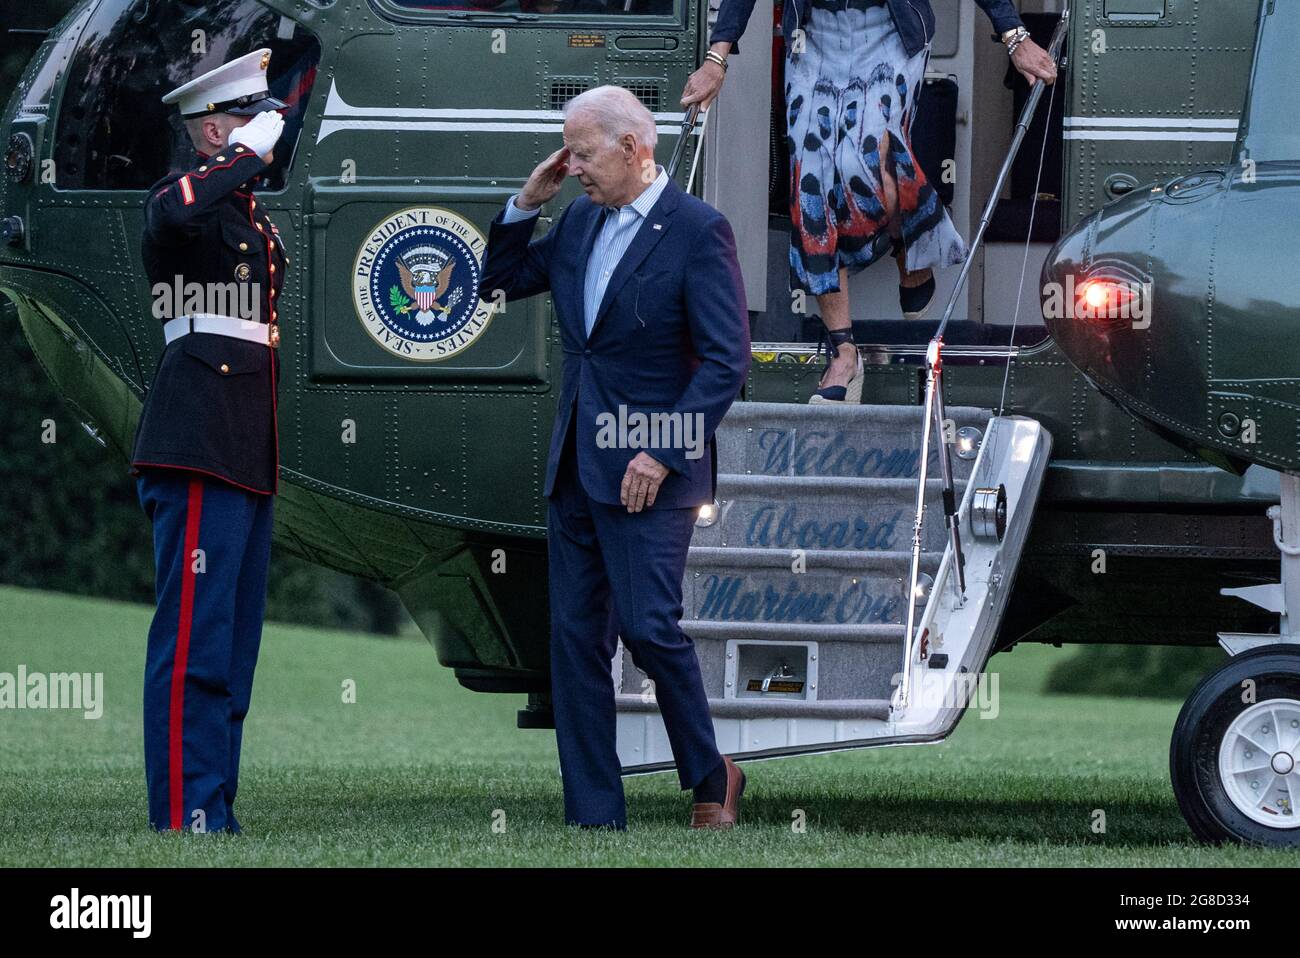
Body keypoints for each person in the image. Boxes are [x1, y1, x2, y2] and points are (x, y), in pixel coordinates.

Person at [478, 86, 752, 830]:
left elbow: (727, 363)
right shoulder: (575, 221)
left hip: (651, 475)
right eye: (566, 153)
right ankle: (595, 814)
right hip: (576, 464)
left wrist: (661, 450)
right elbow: (496, 282)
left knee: (649, 627)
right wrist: (525, 203)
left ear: (633, 149)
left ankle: (709, 773)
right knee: (573, 642)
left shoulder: (699, 231)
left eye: (583, 152)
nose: (573, 166)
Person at [684, 0, 1057, 403]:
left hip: (890, 33)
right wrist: (716, 58)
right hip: (813, 38)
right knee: (811, 183)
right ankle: (844, 353)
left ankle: (907, 245)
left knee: (865, 158)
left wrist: (1014, 35)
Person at [128, 48, 288, 833]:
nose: (272, 139)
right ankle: (184, 810)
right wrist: (240, 153)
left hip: (245, 446)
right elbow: (172, 213)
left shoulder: (249, 217)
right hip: (194, 439)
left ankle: (214, 804)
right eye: (255, 122)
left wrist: (245, 159)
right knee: (192, 638)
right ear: (214, 131)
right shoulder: (183, 201)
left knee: (231, 646)